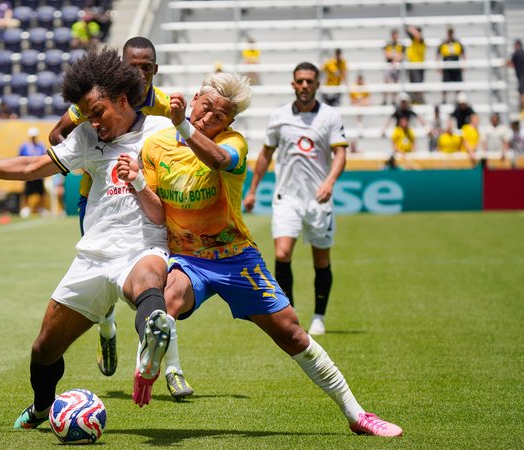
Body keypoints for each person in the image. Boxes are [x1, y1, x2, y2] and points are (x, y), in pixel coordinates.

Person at [123, 70, 403, 437]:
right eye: (204, 108)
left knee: (292, 334)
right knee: (166, 301)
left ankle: (357, 415)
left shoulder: (234, 142)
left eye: (218, 116)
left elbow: (220, 160)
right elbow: (158, 213)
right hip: (189, 259)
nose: (208, 118)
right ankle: (150, 356)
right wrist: (140, 183)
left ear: (230, 122)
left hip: (236, 257)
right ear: (194, 100)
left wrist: (187, 130)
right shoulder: (156, 146)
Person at [0, 48, 175, 426]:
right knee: (44, 347)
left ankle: (152, 334)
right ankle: (42, 407)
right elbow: (31, 167)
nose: (93, 122)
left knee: (148, 278)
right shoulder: (85, 137)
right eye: (87, 114)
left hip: (142, 244)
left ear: (123, 99)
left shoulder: (162, 132)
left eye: (98, 112)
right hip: (94, 254)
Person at [47, 36, 191, 400]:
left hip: (148, 198)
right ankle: (106, 327)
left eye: (146, 67)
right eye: (132, 66)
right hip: (97, 202)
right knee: (104, 274)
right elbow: (57, 133)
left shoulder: (164, 107)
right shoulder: (97, 103)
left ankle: (172, 368)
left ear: (155, 70)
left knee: (154, 284)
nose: (139, 73)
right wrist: (92, 159)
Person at [243, 62, 346, 337]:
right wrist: (252, 189)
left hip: (318, 200)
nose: (304, 86)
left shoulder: (330, 117)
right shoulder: (278, 117)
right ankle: (290, 315)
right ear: (293, 84)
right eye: (299, 81)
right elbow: (266, 154)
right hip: (286, 197)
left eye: (309, 81)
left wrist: (329, 182)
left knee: (321, 261)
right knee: (281, 254)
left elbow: (341, 155)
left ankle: (319, 317)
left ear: (317, 85)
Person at [18, 127, 48, 217]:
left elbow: (44, 157)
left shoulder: (41, 146)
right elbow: (20, 158)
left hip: (39, 173)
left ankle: (41, 208)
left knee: (41, 192)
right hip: (28, 172)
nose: (33, 138)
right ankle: (25, 208)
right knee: (27, 192)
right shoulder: (24, 146)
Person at [438, 27, 465, 104]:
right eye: (449, 33)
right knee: (445, 85)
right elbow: (438, 54)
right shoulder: (443, 43)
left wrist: (463, 64)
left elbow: (463, 54)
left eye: (451, 33)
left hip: (456, 66)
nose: (450, 35)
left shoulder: (457, 43)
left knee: (458, 85)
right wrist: (439, 66)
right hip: (446, 66)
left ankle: (459, 100)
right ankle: (444, 100)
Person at [382, 29, 405, 105]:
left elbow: (401, 56)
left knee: (395, 84)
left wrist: (394, 58)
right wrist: (395, 56)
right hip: (389, 65)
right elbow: (386, 54)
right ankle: (385, 100)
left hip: (396, 66)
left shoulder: (400, 45)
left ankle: (393, 100)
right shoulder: (388, 44)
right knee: (386, 82)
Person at [406, 26, 426, 104]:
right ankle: (415, 100)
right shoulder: (414, 41)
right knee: (413, 84)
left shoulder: (420, 40)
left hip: (418, 65)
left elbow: (412, 31)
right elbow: (407, 29)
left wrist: (413, 30)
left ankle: (419, 99)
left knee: (418, 84)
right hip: (413, 65)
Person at [509, 40, 524, 112]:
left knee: (522, 93)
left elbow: (510, 63)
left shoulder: (517, 53)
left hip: (522, 76)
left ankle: (522, 111)